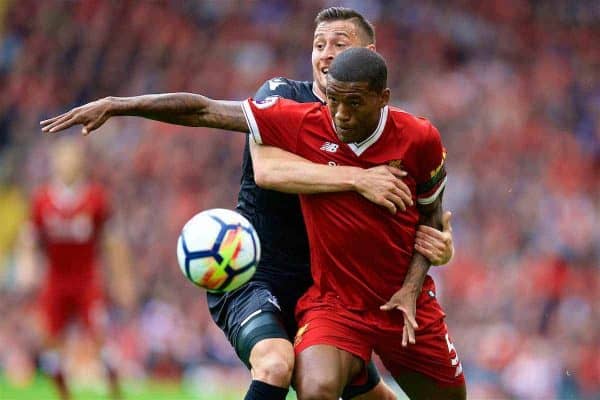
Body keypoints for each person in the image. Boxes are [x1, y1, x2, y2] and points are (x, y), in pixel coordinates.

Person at [40, 35, 459, 400]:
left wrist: (426, 265)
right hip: (320, 300)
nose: (341, 114)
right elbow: (211, 119)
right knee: (297, 378)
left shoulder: (418, 136)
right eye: (318, 46)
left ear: (380, 90)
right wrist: (118, 105)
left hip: (385, 298)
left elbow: (434, 218)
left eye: (339, 46)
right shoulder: (296, 116)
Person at [30, 137, 123, 400]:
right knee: (50, 347)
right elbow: (31, 237)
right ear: (54, 162)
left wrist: (119, 278)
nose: (66, 163)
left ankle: (115, 393)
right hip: (55, 281)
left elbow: (111, 240)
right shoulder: (42, 199)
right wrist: (28, 265)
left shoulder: (96, 197)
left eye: (71, 157)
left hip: (87, 280)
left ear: (80, 162)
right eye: (62, 158)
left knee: (102, 342)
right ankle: (64, 395)